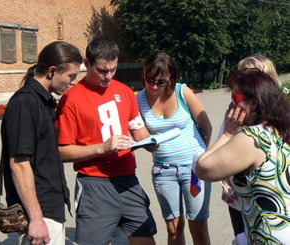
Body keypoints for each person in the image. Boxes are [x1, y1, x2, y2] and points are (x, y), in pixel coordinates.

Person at [56, 37, 157, 245]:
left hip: (128, 180)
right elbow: (62, 152)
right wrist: (103, 147)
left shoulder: (125, 92)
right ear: (87, 63)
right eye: (102, 70)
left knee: (146, 238)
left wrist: (151, 142)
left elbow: (138, 130)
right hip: (95, 185)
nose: (108, 76)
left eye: (113, 69)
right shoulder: (71, 99)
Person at [0, 41, 83, 245]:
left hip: (49, 208)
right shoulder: (24, 104)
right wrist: (36, 219)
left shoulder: (44, 101)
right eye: (71, 76)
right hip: (40, 213)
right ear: (52, 71)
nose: (74, 82)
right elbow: (19, 164)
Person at [196, 68, 290, 244]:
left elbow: (202, 168)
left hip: (270, 238)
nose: (231, 106)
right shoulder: (281, 129)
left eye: (235, 99)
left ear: (254, 103)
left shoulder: (253, 138)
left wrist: (228, 134)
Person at [137, 52, 212, 245]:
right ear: (144, 73)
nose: (153, 86)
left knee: (198, 228)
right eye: (149, 79)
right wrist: (148, 145)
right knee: (173, 229)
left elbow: (206, 127)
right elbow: (141, 135)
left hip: (194, 170)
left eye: (160, 82)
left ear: (171, 77)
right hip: (163, 171)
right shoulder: (139, 100)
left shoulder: (182, 92)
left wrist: (200, 158)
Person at [219, 55, 281, 244]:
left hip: (269, 206)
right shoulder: (234, 114)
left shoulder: (280, 117)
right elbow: (219, 154)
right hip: (239, 203)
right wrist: (226, 185)